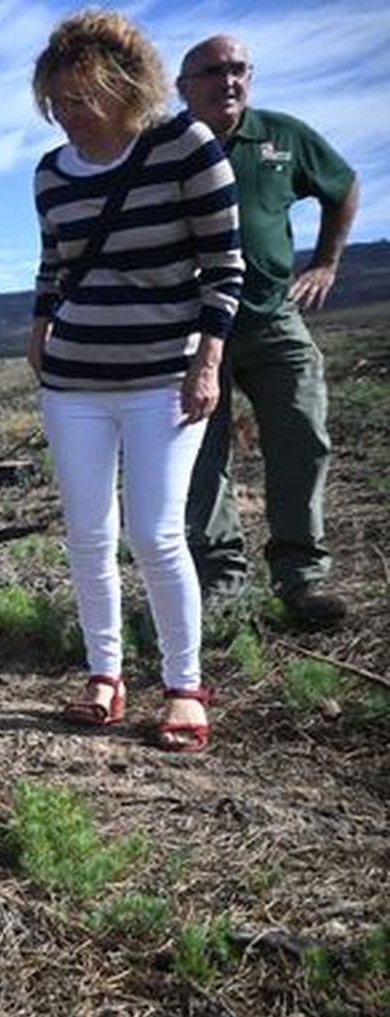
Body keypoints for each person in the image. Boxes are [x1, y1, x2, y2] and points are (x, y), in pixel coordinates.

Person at [28, 10, 243, 753]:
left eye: (80, 99)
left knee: (155, 531)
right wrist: (39, 326)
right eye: (56, 102)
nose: (66, 116)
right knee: (88, 534)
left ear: (123, 87)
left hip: (164, 377)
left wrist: (208, 359)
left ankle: (184, 684)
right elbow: (53, 263)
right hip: (74, 380)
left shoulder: (187, 147)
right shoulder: (52, 173)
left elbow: (224, 267)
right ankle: (105, 673)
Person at [178, 35, 360, 628]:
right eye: (212, 72)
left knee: (302, 435)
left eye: (238, 70)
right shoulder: (166, 148)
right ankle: (219, 581)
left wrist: (326, 262)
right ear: (183, 88)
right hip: (195, 330)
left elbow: (342, 185)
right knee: (203, 457)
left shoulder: (281, 136)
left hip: (271, 315)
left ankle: (302, 579)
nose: (228, 81)